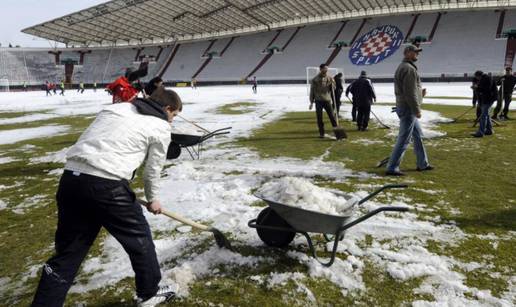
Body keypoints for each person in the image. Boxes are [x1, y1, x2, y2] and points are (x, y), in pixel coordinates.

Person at [31, 87, 182, 307]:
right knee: (140, 240)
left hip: (71, 179)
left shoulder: (118, 109)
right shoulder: (160, 126)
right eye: (174, 115)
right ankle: (149, 293)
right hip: (107, 186)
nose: (172, 120)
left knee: (69, 252)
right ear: (167, 108)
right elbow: (153, 169)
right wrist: (153, 199)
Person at [386, 45, 432, 176]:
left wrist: (420, 95)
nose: (417, 54)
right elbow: (409, 92)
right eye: (415, 52)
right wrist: (417, 109)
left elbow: (410, 91)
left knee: (418, 137)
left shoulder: (405, 67)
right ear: (407, 53)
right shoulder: (408, 69)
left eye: (418, 52)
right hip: (408, 109)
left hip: (406, 107)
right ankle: (392, 167)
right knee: (404, 139)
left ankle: (422, 164)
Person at [309, 64, 339, 138]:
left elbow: (333, 88)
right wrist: (311, 102)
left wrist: (333, 83)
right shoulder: (315, 79)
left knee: (332, 117)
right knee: (319, 118)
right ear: (321, 69)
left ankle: (337, 133)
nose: (326, 70)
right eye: (325, 69)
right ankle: (321, 133)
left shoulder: (329, 78)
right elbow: (312, 91)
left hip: (327, 100)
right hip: (318, 100)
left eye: (327, 69)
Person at [472, 70, 497, 137]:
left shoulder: (487, 79)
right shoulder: (483, 79)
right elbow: (480, 92)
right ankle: (489, 130)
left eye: (477, 77)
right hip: (486, 99)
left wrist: (477, 88)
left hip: (489, 99)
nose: (477, 79)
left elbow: (487, 90)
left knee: (483, 116)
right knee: (487, 115)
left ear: (479, 76)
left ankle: (481, 132)